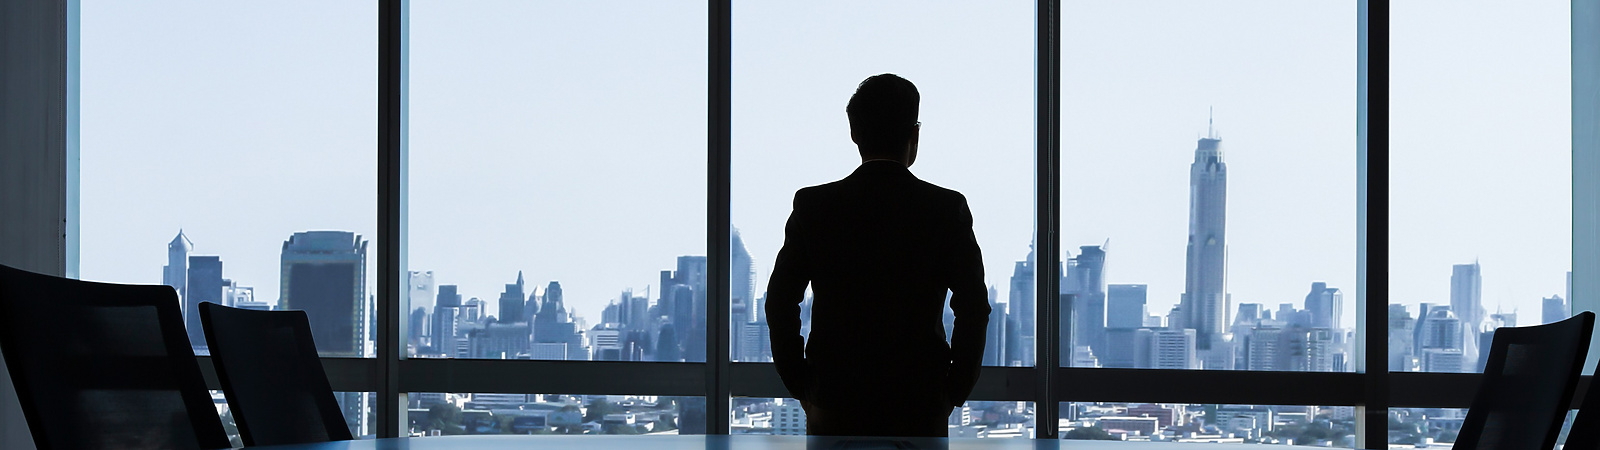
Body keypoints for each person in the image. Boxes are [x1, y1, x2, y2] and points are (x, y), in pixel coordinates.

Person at [765, 73, 990, 437]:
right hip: (919, 402)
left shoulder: (815, 206)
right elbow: (974, 307)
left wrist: (803, 384)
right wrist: (953, 390)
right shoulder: (945, 209)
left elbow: (779, 301)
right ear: (914, 133)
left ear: (854, 132)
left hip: (834, 401)